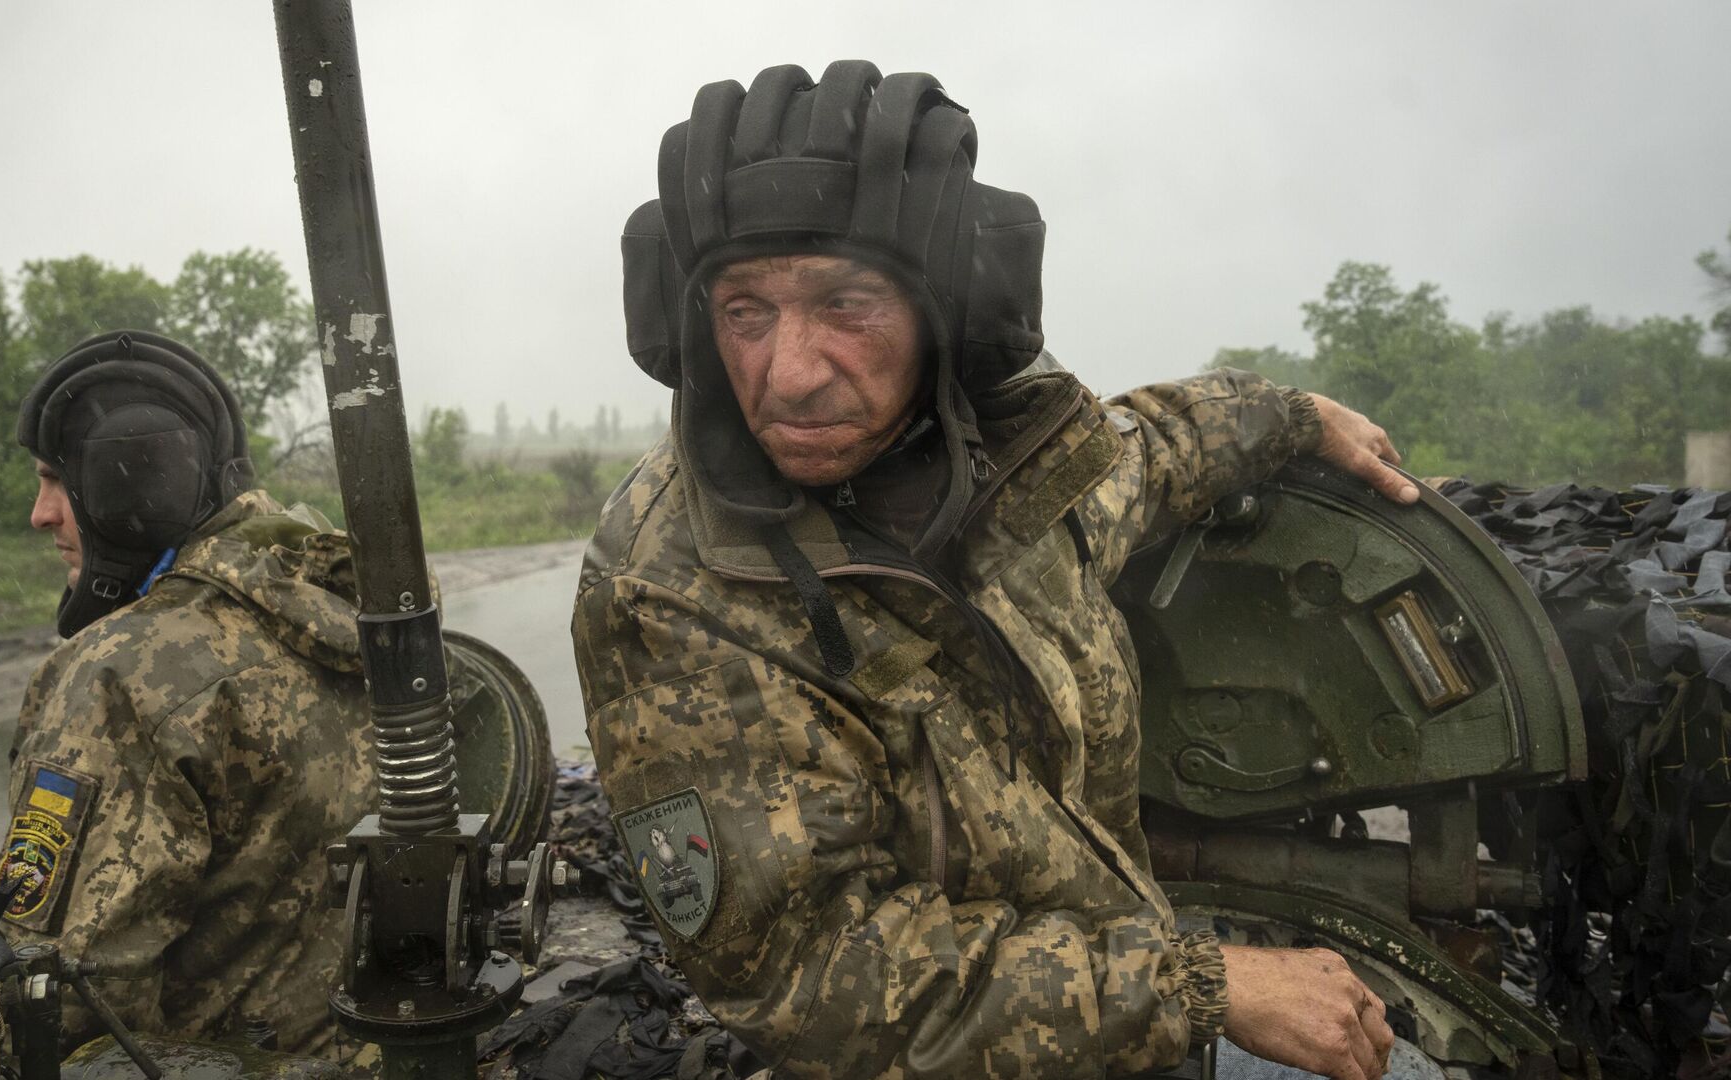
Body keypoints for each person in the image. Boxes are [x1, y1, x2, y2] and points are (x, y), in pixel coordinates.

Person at [573, 62, 1421, 1080]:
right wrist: (1204, 986)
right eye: (744, 312)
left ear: (945, 312)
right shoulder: (672, 589)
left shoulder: (1013, 470)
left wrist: (1291, 416)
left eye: (845, 303)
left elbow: (1145, 453)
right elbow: (811, 971)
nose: (788, 373)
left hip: (1116, 1006)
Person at [0, 330, 375, 1059]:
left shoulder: (122, 679)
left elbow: (63, 1003)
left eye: (56, 481)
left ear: (128, 486)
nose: (41, 514)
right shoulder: (333, 600)